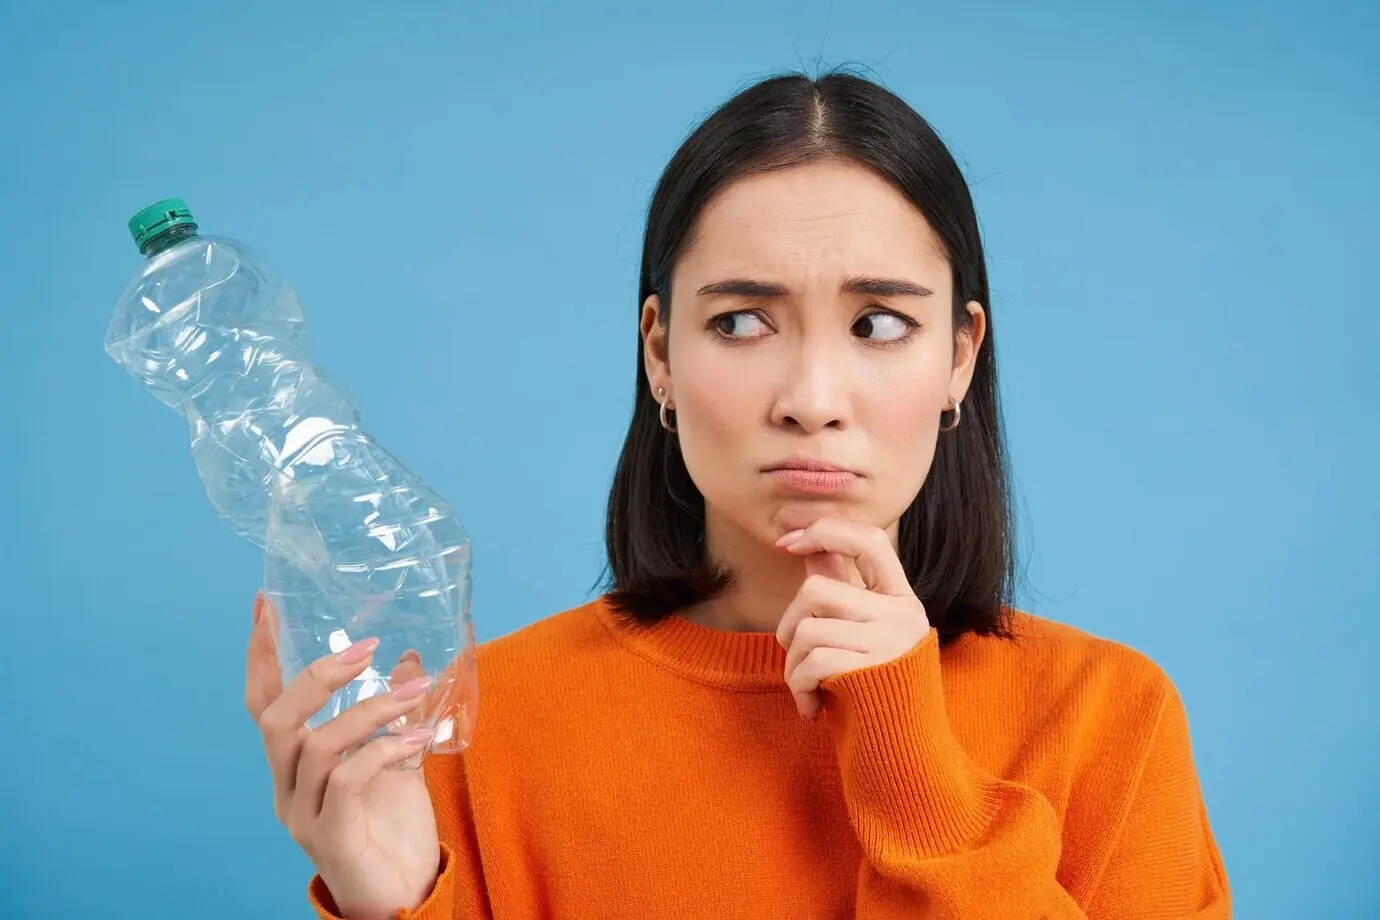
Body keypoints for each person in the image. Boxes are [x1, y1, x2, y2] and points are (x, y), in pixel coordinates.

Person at [244, 70, 1231, 920]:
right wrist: (394, 894)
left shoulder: (1106, 716)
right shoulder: (480, 723)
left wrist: (912, 757)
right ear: (659, 353)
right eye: (744, 322)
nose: (809, 400)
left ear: (961, 358)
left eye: (880, 323)